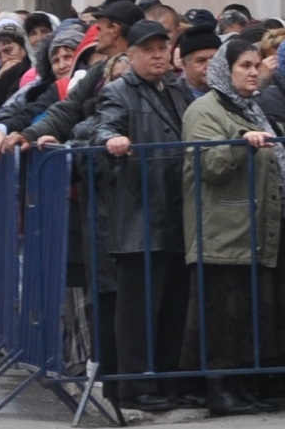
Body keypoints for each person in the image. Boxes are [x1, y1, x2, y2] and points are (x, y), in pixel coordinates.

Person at [180, 40, 285, 416]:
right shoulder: (205, 110)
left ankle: (242, 385)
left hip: (254, 229)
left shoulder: (252, 108)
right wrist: (238, 143)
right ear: (224, 70)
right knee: (221, 314)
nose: (253, 71)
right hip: (222, 230)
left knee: (248, 314)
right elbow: (208, 165)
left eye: (257, 65)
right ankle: (219, 389)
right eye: (244, 64)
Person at [91, 20, 190, 412]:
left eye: (162, 48)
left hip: (175, 211)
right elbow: (104, 127)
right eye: (148, 49)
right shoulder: (119, 91)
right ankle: (133, 385)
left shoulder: (177, 92)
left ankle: (164, 378)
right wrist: (111, 141)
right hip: (139, 214)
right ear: (130, 55)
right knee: (138, 310)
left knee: (173, 305)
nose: (157, 55)